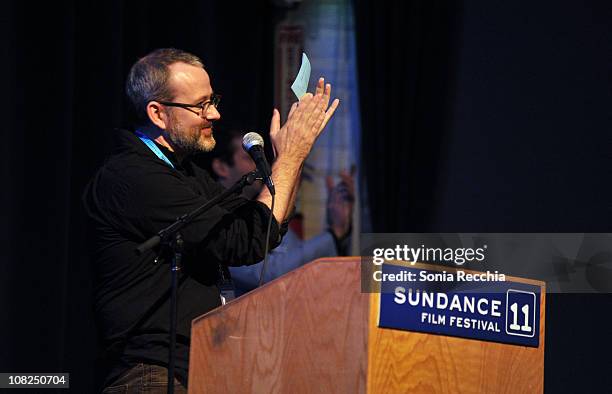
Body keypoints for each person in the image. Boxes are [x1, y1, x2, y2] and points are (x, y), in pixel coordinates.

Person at [82, 48, 338, 393]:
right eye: (200, 105)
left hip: (203, 368)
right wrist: (291, 156)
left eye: (212, 99)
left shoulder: (185, 173)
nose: (215, 113)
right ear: (157, 113)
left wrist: (289, 158)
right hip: (153, 375)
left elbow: (258, 231)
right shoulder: (133, 176)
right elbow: (241, 241)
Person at [203, 129, 354, 295]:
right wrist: (334, 233)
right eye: (248, 158)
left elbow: (296, 259)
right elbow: (271, 274)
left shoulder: (257, 208)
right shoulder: (215, 218)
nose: (259, 166)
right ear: (221, 167)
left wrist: (338, 225)